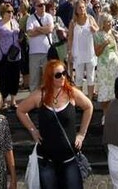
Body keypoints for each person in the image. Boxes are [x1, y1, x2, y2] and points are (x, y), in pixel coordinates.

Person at [16, 59, 94, 189]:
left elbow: (89, 106)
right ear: (49, 77)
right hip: (47, 159)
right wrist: (33, 130)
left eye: (64, 73)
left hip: (69, 158)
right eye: (58, 75)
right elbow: (20, 110)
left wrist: (82, 133)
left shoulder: (71, 93)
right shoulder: (39, 95)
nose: (62, 77)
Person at [67, 0, 99, 99]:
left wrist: (94, 30)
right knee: (79, 78)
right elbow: (70, 38)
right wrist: (69, 52)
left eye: (83, 7)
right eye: (80, 8)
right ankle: (80, 100)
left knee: (91, 77)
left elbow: (98, 31)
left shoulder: (90, 19)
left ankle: (89, 99)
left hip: (90, 53)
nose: (82, 9)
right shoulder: (73, 22)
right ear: (76, 10)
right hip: (78, 53)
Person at [94, 13, 118, 116]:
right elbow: (97, 53)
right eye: (108, 22)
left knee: (114, 91)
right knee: (105, 91)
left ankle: (113, 115)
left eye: (111, 21)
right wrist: (105, 43)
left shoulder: (112, 33)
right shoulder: (97, 34)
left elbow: (115, 48)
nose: (111, 24)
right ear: (103, 23)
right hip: (104, 66)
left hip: (113, 65)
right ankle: (105, 115)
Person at [0, 2, 21, 110]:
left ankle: (13, 100)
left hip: (16, 55)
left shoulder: (15, 22)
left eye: (12, 11)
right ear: (2, 13)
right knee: (4, 78)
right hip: (4, 55)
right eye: (8, 12)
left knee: (15, 78)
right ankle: (4, 100)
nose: (11, 14)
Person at [26, 0, 55, 92]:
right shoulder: (31, 18)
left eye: (44, 5)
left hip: (47, 51)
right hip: (34, 53)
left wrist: (37, 28)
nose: (42, 7)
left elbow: (50, 29)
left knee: (47, 79)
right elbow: (30, 33)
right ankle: (34, 102)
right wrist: (43, 29)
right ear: (35, 7)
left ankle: (47, 100)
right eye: (40, 5)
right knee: (34, 79)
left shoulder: (49, 17)